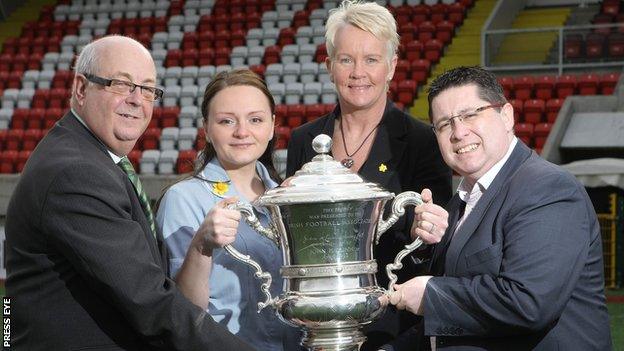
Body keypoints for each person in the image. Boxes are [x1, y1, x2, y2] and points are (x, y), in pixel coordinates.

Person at [4, 35, 255, 350]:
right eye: (120, 84)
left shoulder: (91, 157)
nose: (137, 100)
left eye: (148, 88)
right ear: (81, 89)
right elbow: (151, 302)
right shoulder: (77, 172)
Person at [383, 66, 612, 350]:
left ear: (507, 116)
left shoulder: (548, 189)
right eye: (444, 124)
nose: (458, 132)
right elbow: (452, 320)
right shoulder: (460, 202)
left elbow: (528, 303)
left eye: (470, 115)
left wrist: (431, 294)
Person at [285, 1, 453, 349]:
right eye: (346, 59)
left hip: (396, 330)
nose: (358, 72)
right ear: (329, 66)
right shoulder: (302, 140)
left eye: (371, 59)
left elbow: (434, 249)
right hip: (317, 326)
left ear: (391, 67)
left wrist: (429, 229)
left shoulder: (423, 141)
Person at [156, 69, 302, 351]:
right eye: (226, 121)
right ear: (207, 129)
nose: (242, 132)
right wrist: (202, 246)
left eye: (255, 119)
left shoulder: (288, 197)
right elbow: (181, 313)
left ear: (272, 126)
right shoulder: (183, 199)